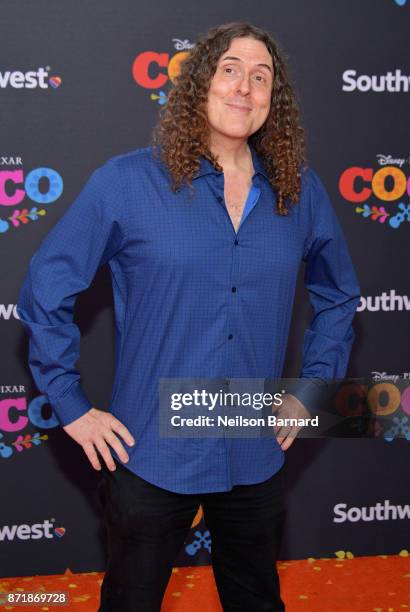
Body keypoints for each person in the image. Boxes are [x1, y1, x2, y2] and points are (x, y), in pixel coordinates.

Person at [16, 21, 361, 612]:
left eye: (261, 77)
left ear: (272, 100)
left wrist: (311, 391)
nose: (244, 89)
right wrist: (70, 406)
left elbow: (339, 296)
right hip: (150, 448)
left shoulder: (299, 192)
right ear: (200, 84)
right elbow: (45, 289)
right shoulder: (127, 183)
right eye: (230, 70)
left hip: (254, 442)